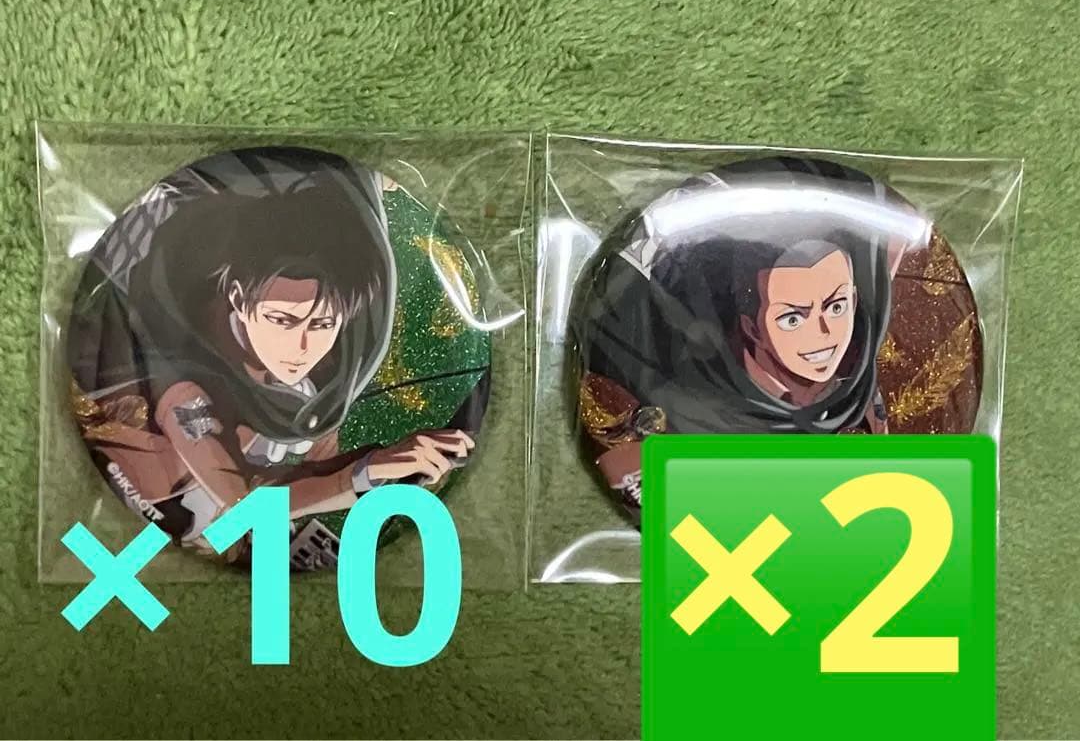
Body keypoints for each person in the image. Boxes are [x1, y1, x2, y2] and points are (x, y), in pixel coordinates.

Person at [69, 147, 478, 548]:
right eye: (281, 320)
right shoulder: (184, 388)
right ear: (236, 297)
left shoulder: (327, 378)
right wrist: (365, 472)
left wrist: (391, 463)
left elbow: (316, 467)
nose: (301, 346)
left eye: (322, 324)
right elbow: (241, 507)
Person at [574, 156, 925, 518]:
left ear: (854, 299)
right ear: (752, 327)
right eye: (793, 318)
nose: (823, 334)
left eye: (836, 307)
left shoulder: (856, 390)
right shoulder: (690, 398)